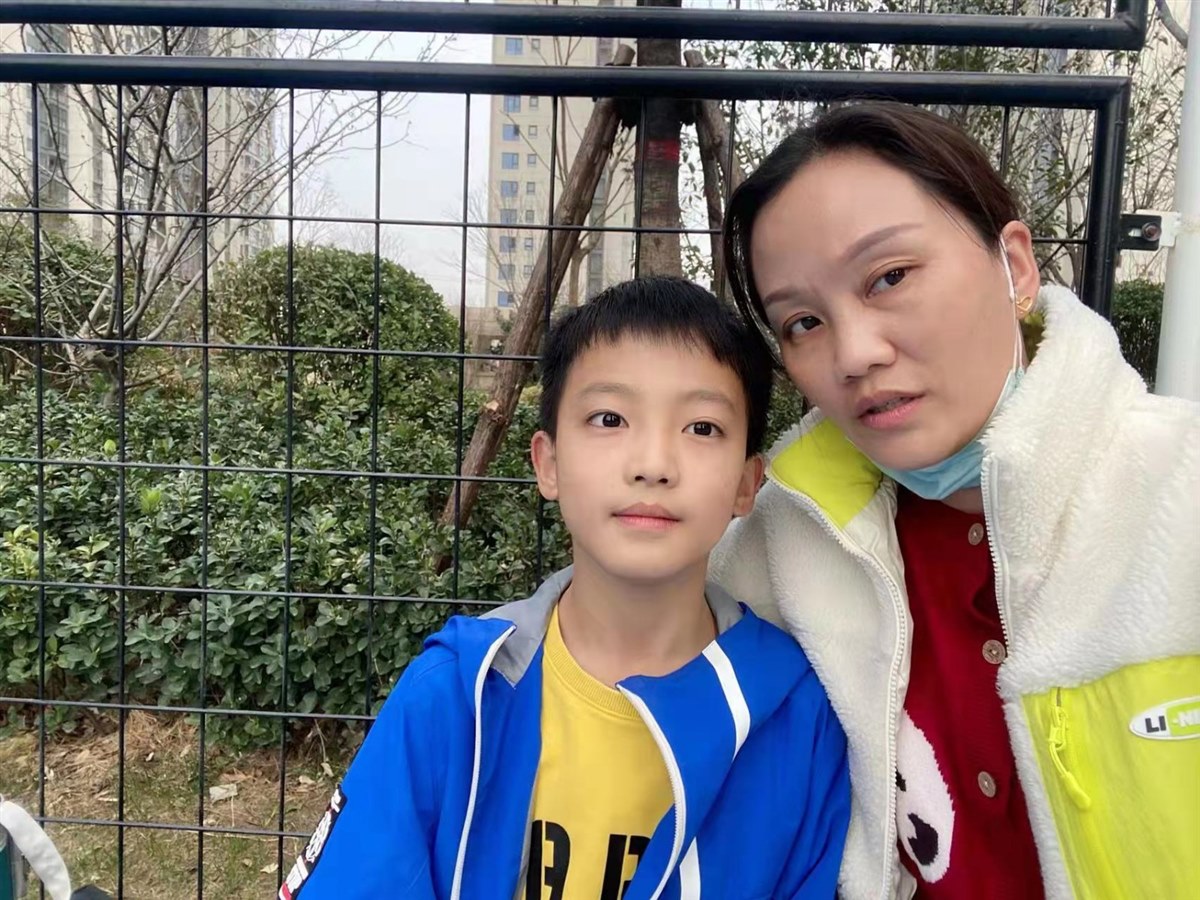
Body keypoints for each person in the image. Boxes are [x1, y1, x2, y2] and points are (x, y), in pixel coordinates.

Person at [712, 101, 1200, 900]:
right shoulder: (785, 545)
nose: (855, 354)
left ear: (1016, 268)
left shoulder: (1180, 493)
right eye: (802, 322)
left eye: (890, 277)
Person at [284, 276, 851, 900]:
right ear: (548, 463)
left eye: (702, 427)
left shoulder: (795, 715)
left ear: (747, 483)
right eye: (610, 419)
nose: (653, 464)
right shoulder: (459, 693)